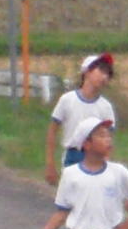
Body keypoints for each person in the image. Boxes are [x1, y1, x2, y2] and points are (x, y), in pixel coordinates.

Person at [45, 54, 115, 186]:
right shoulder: (67, 100)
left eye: (108, 74)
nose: (104, 77)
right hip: (72, 156)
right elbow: (53, 131)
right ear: (87, 72)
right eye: (101, 71)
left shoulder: (106, 107)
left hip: (96, 158)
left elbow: (108, 141)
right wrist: (50, 164)